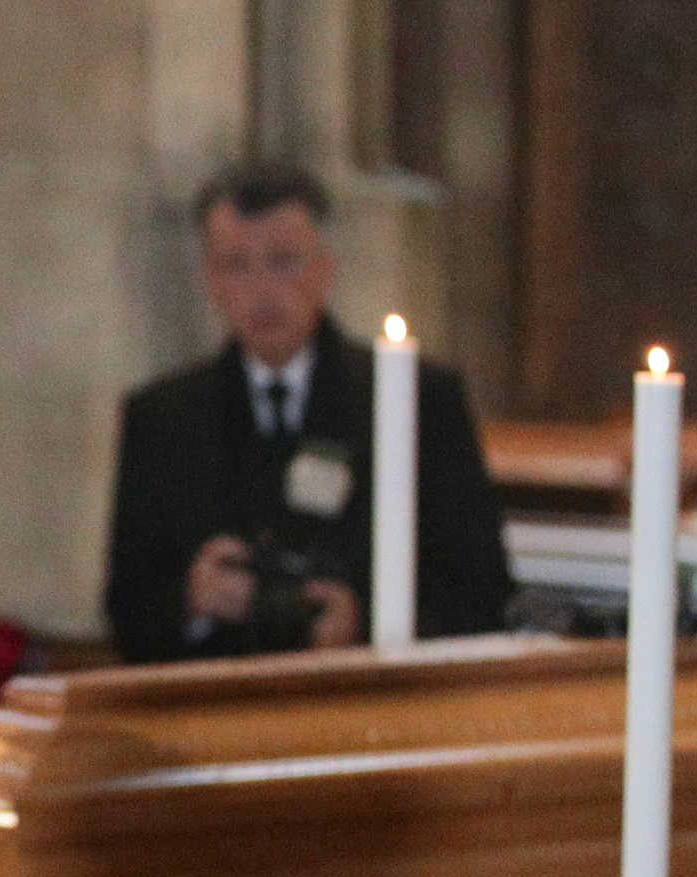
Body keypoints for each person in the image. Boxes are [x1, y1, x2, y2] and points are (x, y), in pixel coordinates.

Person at [105, 164, 512, 662]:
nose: (262, 290)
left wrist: (365, 624)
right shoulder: (162, 418)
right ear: (209, 279)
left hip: (366, 703)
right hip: (215, 705)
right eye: (236, 265)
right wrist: (191, 601)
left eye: (283, 262)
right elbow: (126, 612)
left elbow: (481, 591)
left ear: (325, 269)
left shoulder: (420, 400)